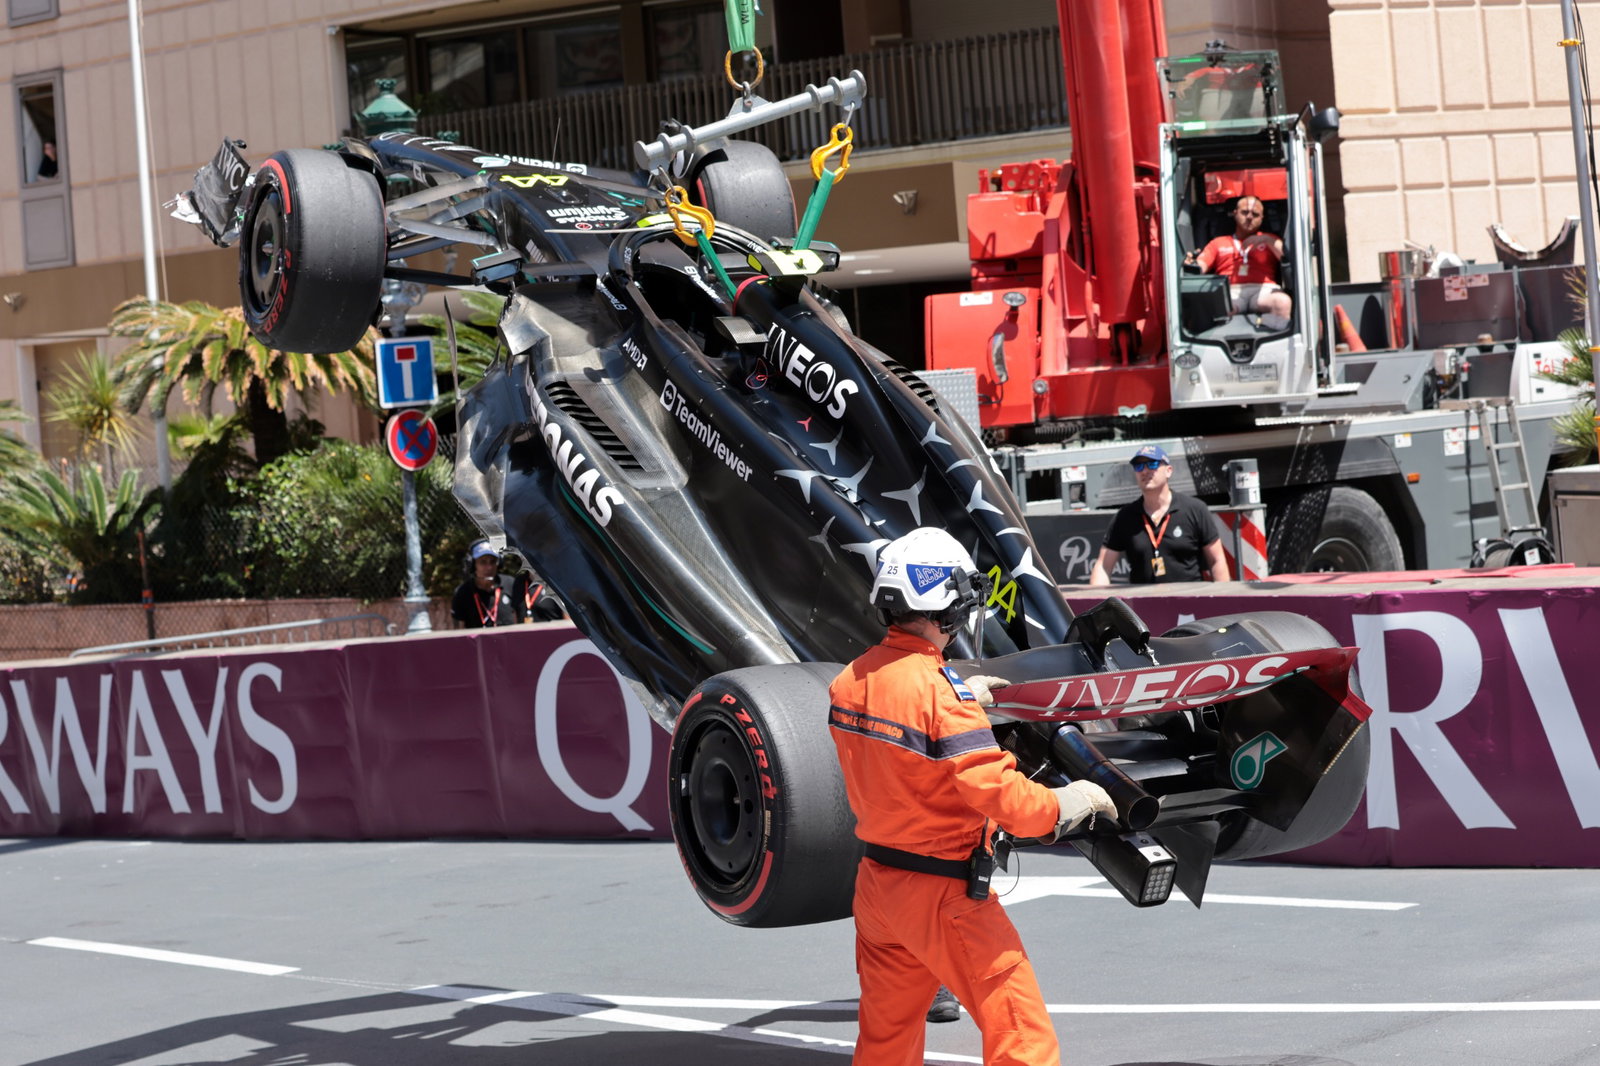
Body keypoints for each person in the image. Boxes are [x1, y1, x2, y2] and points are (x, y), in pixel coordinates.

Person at [829, 527, 1116, 1066]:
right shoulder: (940, 695)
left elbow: (904, 752)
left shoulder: (850, 679)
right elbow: (1003, 797)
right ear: (947, 610)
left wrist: (960, 698)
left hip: (877, 888)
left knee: (886, 1043)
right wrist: (1068, 802)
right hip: (945, 893)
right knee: (1021, 1039)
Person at [1089, 445, 1229, 585]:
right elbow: (1103, 566)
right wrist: (1094, 602)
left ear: (1168, 471)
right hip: (1142, 603)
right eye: (1139, 466)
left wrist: (1223, 600)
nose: (1144, 470)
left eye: (1152, 464)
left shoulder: (1195, 509)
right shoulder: (1125, 517)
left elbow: (1217, 560)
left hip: (1188, 602)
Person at [1186, 195, 1291, 328]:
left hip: (1263, 289)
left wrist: (1266, 240)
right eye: (1245, 212)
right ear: (1235, 213)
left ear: (1262, 218)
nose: (1249, 217)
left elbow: (1287, 258)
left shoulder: (1271, 239)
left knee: (1282, 302)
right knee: (1216, 307)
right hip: (1230, 290)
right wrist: (1191, 264)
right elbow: (1201, 265)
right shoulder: (1218, 242)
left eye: (1255, 214)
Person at [451, 539, 525, 628]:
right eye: (483, 562)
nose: (489, 567)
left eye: (493, 561)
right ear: (472, 565)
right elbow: (458, 631)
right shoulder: (462, 592)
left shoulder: (510, 584)